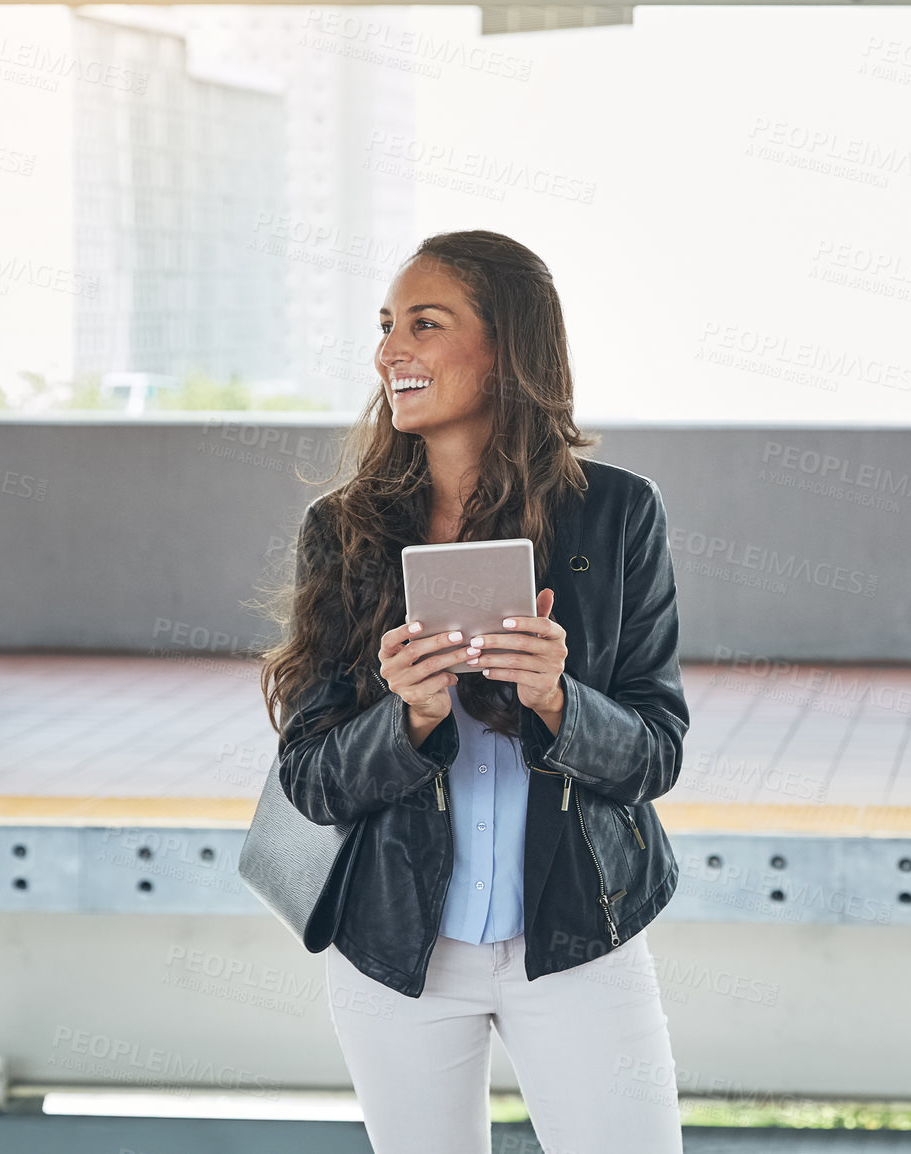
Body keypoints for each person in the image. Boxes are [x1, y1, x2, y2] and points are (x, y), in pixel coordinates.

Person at [259, 230, 689, 1154]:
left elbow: (656, 752)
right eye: (386, 326)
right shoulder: (342, 531)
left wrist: (556, 700)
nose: (388, 351)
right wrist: (407, 717)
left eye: (424, 322)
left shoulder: (617, 514)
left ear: (506, 347)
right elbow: (310, 781)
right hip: (395, 951)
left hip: (580, 939)